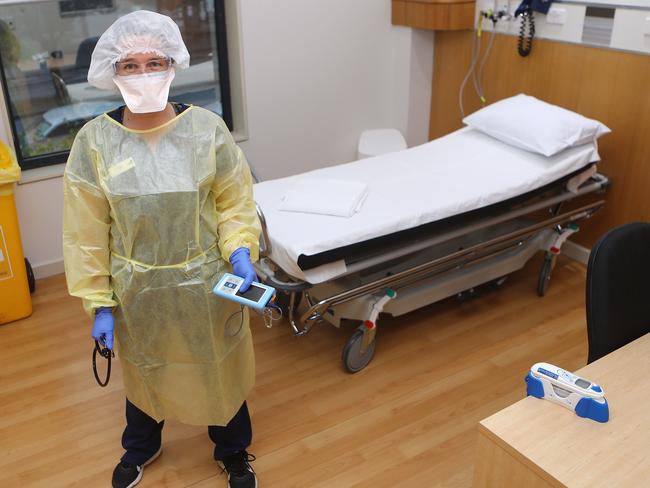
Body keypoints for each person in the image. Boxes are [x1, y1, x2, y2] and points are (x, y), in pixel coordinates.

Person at [62, 10, 261, 488]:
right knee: (146, 369)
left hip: (206, 281)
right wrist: (99, 303)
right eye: (130, 65)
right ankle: (140, 448)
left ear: (173, 66)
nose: (144, 73)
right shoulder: (95, 143)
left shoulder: (206, 130)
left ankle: (234, 452)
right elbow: (85, 233)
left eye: (154, 62)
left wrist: (240, 251)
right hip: (138, 288)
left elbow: (234, 200)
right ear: (112, 71)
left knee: (218, 367)